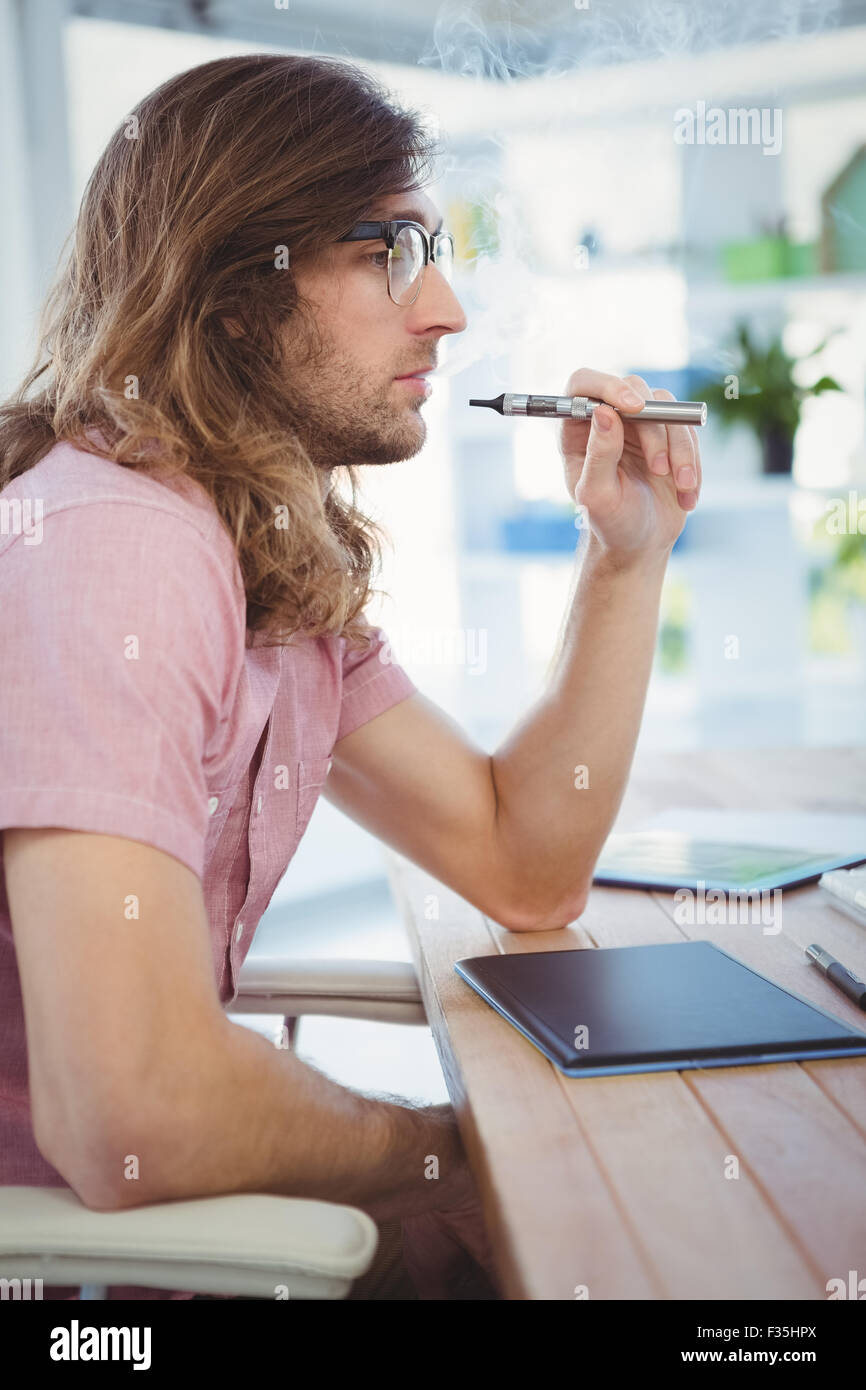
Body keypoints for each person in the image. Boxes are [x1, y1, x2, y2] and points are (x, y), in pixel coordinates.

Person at [0, 53, 701, 1302]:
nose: (443, 310)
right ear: (230, 287)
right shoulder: (117, 552)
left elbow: (519, 860)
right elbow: (135, 1110)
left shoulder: (258, 557)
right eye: (388, 251)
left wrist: (623, 558)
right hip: (84, 1281)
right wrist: (441, 1154)